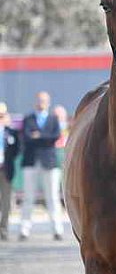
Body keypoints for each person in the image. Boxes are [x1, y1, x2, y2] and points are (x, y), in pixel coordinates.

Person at [20, 91, 64, 241]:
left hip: (49, 162)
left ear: (48, 102)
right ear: (35, 102)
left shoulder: (53, 119)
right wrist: (45, 138)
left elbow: (55, 136)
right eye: (39, 100)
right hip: (31, 162)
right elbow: (26, 137)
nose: (41, 102)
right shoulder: (28, 119)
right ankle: (24, 229)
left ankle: (57, 229)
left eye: (44, 100)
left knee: (52, 197)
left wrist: (38, 136)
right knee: (28, 197)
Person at [0, 103, 20, 241]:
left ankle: (4, 229)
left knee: (6, 201)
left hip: (5, 169)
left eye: (2, 115)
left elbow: (16, 150)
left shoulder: (11, 133)